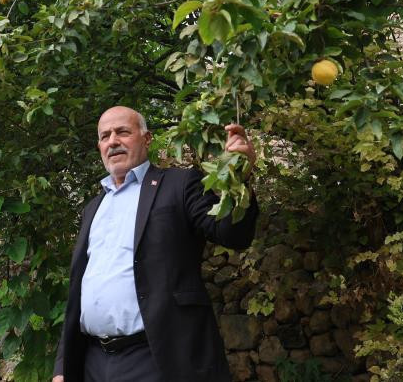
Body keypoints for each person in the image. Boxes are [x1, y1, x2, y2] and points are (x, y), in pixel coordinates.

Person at [53, 106, 259, 382]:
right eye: (105, 136)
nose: (112, 141)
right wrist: (63, 366)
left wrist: (239, 177)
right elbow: (80, 291)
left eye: (122, 132)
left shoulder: (180, 184)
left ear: (146, 138)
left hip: (154, 359)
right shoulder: (93, 207)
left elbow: (232, 234)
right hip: (93, 362)